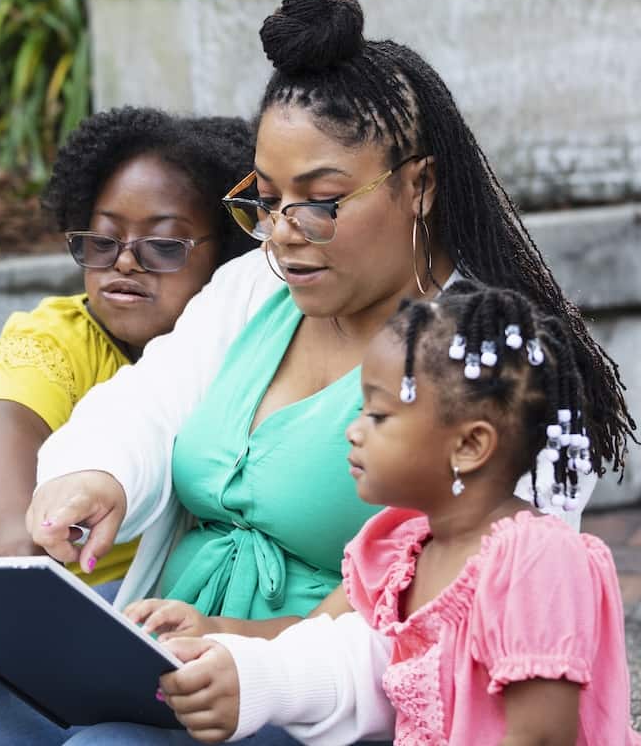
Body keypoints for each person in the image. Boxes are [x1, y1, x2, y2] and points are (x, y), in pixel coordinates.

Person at [0, 0, 633, 744]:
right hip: (170, 648)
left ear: (419, 185)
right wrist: (99, 474)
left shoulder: (498, 366)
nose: (280, 233)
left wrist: (259, 675)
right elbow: (154, 398)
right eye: (267, 198)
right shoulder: (257, 287)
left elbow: (449, 640)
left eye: (321, 200)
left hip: (321, 704)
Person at [0, 106, 255, 746]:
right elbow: (8, 428)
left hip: (183, 620)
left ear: (229, 251)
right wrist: (14, 537)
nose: (124, 262)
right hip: (60, 615)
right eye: (102, 239)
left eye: (162, 244)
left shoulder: (252, 349)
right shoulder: (56, 333)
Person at [159, 282, 640, 745]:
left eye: (378, 415)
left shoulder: (535, 560)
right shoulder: (400, 546)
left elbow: (540, 735)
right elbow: (309, 634)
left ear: (470, 444)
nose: (353, 430)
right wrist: (216, 634)